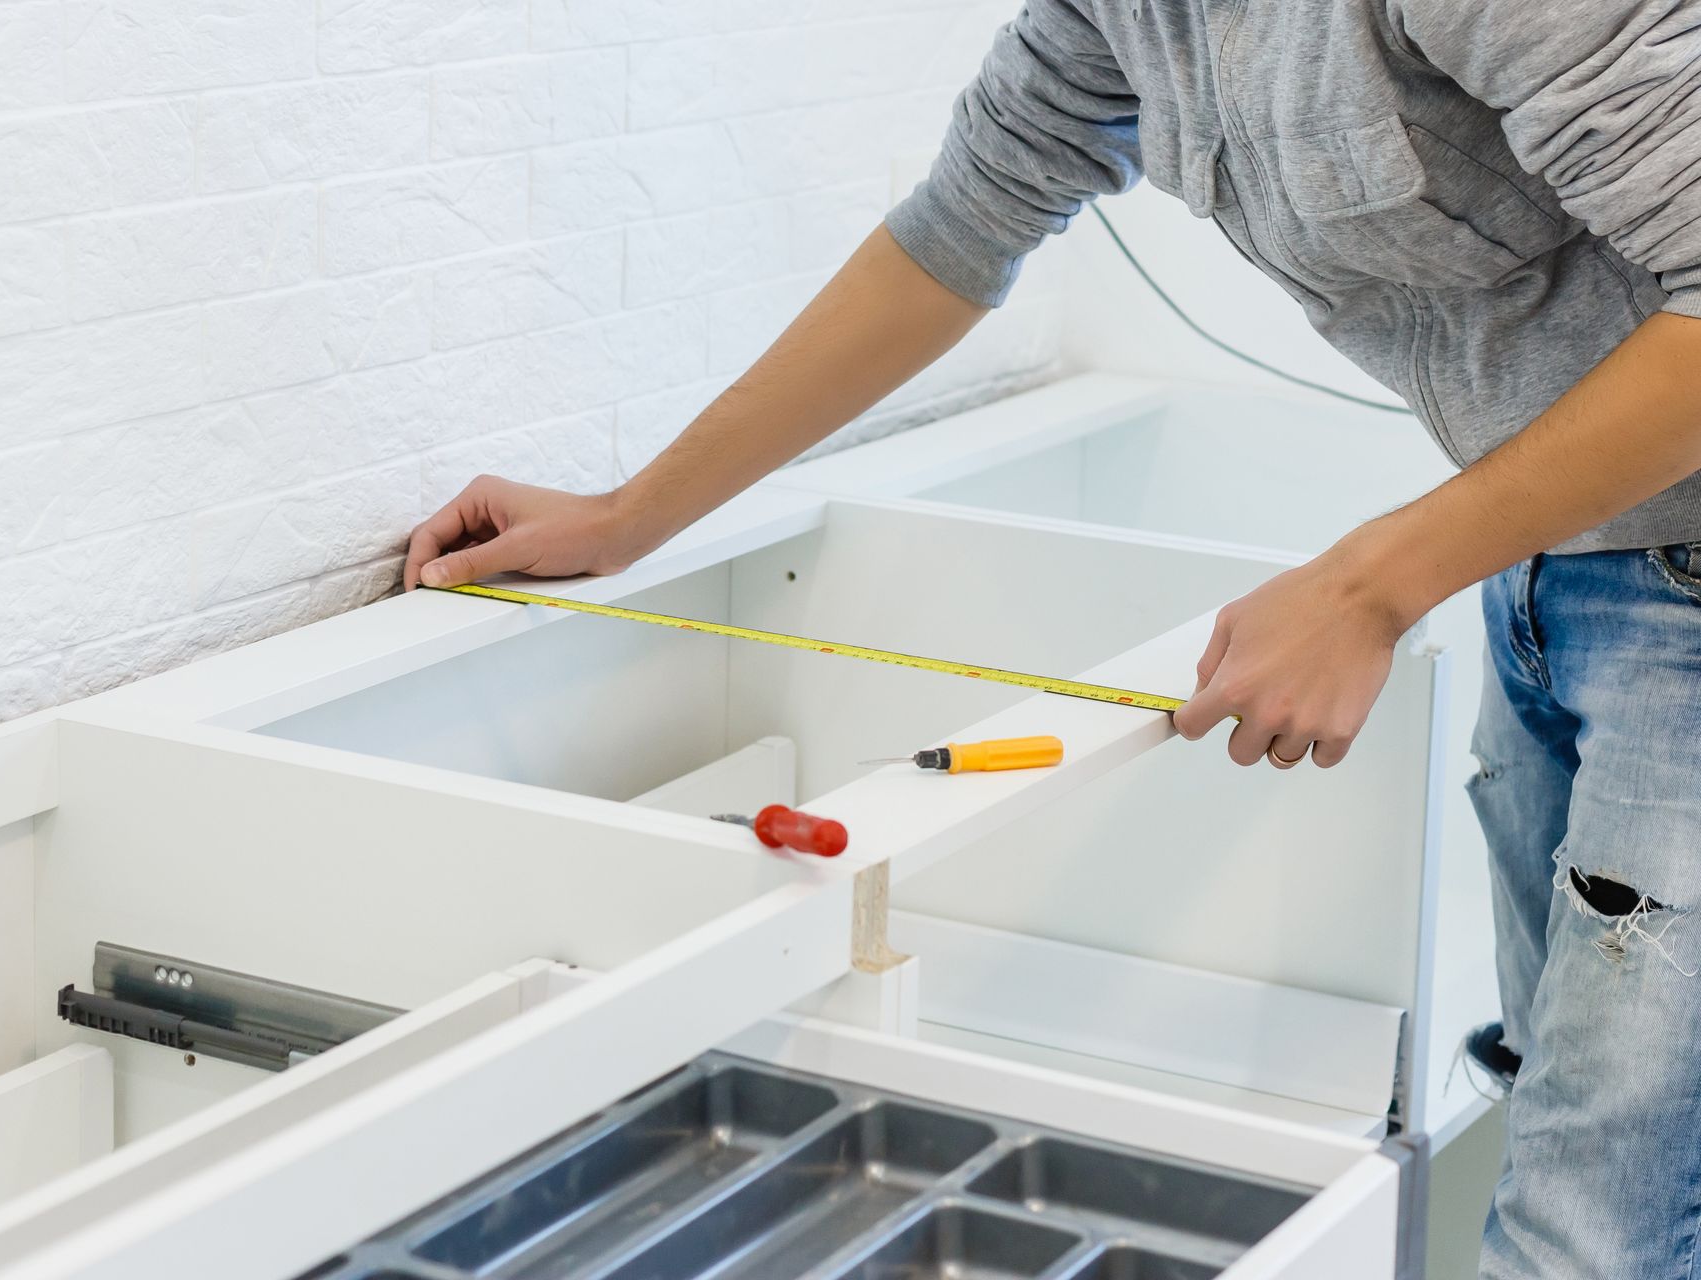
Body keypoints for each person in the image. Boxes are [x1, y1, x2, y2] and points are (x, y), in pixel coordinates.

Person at [405, 4, 1701, 1274]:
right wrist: (632, 517)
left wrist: (1370, 584)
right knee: (1577, 1118)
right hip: (1556, 554)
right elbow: (958, 230)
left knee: (1593, 1226)